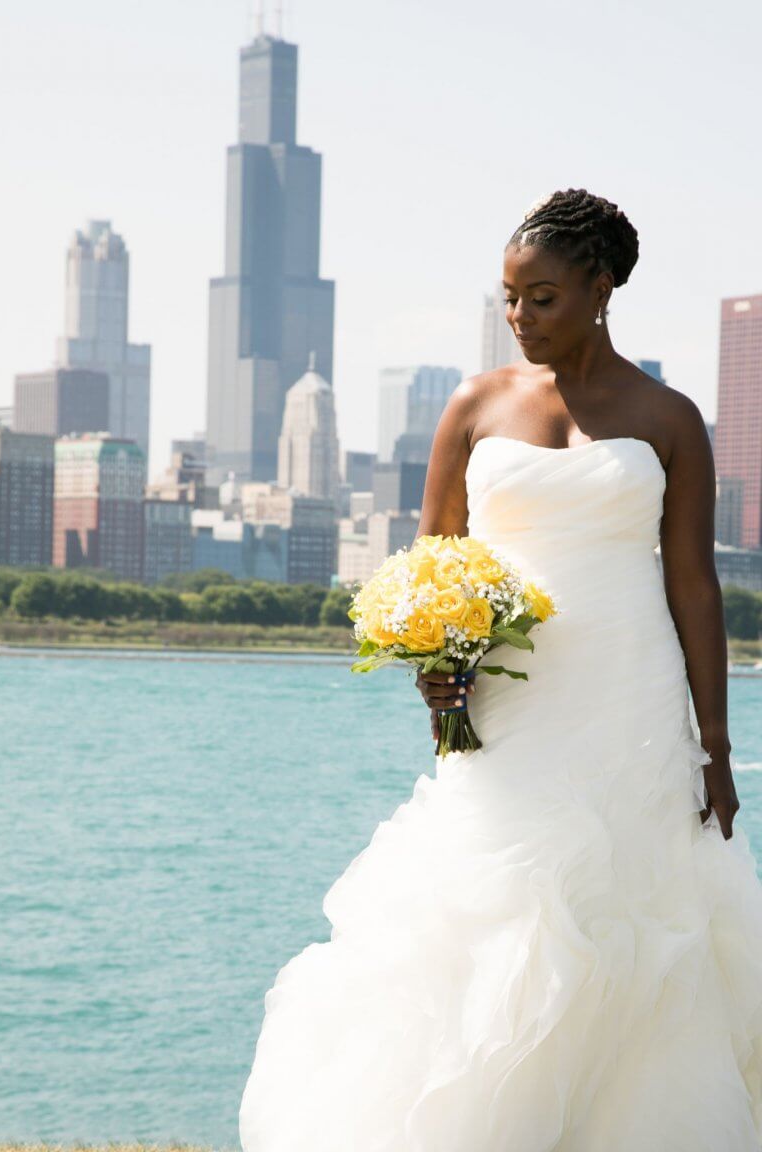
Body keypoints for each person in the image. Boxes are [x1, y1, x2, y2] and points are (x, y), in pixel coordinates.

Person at [239, 188, 762, 1151]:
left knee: (635, 904)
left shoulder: (671, 418)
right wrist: (433, 666)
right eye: (510, 299)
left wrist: (716, 749)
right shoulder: (474, 405)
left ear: (602, 289)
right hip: (509, 700)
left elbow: (694, 588)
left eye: (544, 297)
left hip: (633, 698)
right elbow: (433, 556)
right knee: (499, 898)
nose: (520, 317)